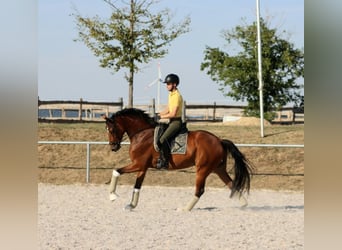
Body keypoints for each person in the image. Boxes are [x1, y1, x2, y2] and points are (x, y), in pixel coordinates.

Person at [156, 73, 184, 170]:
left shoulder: (177, 96)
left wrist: (161, 117)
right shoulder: (171, 94)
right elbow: (168, 108)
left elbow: (172, 114)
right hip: (171, 121)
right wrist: (159, 114)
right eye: (166, 84)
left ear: (174, 84)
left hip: (176, 122)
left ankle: (165, 161)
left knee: (162, 139)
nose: (166, 86)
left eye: (168, 84)